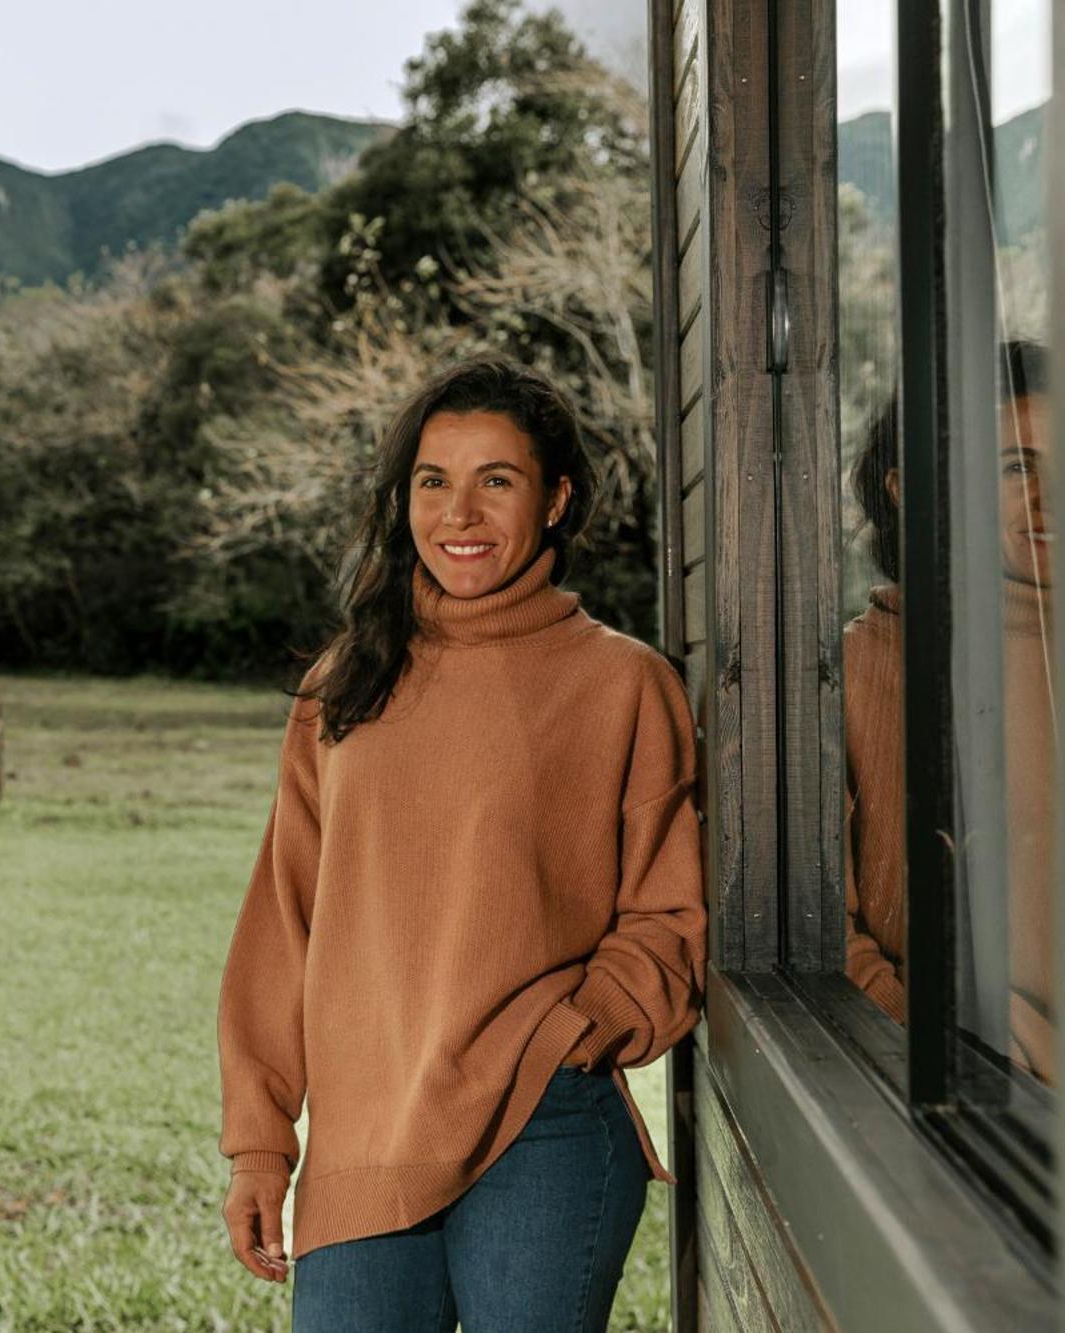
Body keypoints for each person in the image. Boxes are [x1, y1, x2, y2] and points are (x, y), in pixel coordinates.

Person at [215, 356, 707, 1331]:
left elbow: (669, 915)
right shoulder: (343, 684)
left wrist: (577, 1028)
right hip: (364, 1136)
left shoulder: (621, 685)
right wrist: (259, 1144)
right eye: (431, 481)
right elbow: (284, 923)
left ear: (555, 498)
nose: (459, 513)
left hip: (544, 1127)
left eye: (497, 480)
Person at [841, 339, 1055, 1082]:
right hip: (964, 1108)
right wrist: (938, 1042)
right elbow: (815, 929)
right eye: (1014, 467)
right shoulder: (851, 674)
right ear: (918, 489)